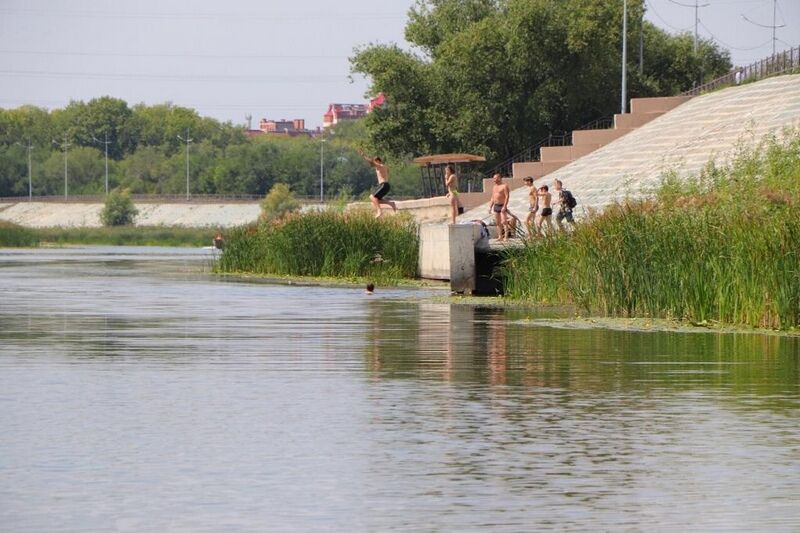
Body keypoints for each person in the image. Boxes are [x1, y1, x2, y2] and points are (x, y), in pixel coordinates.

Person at [359, 151, 397, 218]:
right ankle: (390, 203)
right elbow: (387, 171)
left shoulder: (380, 166)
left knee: (372, 197)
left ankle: (379, 211)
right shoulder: (384, 167)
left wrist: (363, 155)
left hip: (383, 185)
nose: (374, 164)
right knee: (377, 200)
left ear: (378, 161)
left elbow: (371, 162)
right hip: (386, 185)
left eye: (376, 162)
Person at [487, 173, 510, 241]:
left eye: (495, 178)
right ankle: (500, 236)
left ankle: (506, 237)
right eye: (494, 178)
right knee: (497, 222)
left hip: (502, 205)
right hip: (496, 205)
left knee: (504, 221)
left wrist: (505, 206)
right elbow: (492, 197)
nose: (494, 179)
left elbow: (507, 196)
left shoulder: (504, 186)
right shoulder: (494, 187)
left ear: (499, 178)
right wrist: (490, 207)